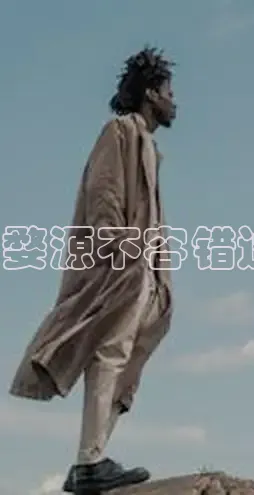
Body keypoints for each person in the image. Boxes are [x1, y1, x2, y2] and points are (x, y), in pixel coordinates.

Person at [8, 46, 178, 493]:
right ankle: (89, 462)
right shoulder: (119, 131)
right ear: (150, 93)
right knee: (110, 353)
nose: (174, 101)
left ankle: (93, 457)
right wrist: (121, 250)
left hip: (145, 269)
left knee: (126, 361)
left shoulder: (148, 145)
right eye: (168, 91)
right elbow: (104, 195)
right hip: (122, 264)